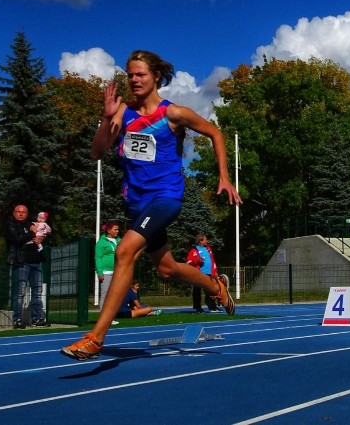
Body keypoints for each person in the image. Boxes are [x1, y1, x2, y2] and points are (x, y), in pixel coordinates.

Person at [61, 50, 241, 361]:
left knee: (124, 251)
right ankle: (215, 288)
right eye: (130, 74)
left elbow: (215, 132)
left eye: (140, 74)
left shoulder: (173, 114)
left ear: (156, 76)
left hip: (166, 198)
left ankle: (95, 338)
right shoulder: (122, 114)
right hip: (137, 204)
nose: (134, 79)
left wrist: (224, 176)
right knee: (167, 268)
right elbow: (97, 153)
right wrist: (106, 118)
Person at [5, 204, 48, 328]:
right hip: (21, 261)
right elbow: (17, 240)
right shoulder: (10, 225)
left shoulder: (32, 224)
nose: (21, 214)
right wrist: (31, 233)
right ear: (14, 213)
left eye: (23, 212)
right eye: (18, 211)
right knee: (20, 292)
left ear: (27, 214)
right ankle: (17, 320)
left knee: (37, 292)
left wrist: (41, 239)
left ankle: (36, 319)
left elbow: (43, 234)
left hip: (36, 261)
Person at [186, 233, 220, 313]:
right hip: (198, 274)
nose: (207, 241)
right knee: (197, 291)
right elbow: (189, 261)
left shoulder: (208, 249)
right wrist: (197, 260)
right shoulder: (194, 250)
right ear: (200, 241)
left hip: (208, 273)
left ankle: (212, 307)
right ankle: (198, 308)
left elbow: (212, 261)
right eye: (205, 240)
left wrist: (215, 271)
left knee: (210, 290)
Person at [95, 220, 120, 312]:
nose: (117, 231)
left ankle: (110, 316)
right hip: (106, 272)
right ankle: (103, 318)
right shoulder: (101, 243)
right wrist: (100, 273)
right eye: (115, 229)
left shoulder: (119, 240)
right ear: (109, 230)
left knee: (113, 295)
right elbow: (98, 258)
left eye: (118, 230)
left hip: (117, 271)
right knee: (105, 294)